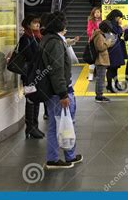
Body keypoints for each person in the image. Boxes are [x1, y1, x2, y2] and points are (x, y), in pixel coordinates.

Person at [40, 11, 82, 169]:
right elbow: (57, 70)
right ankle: (67, 156)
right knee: (65, 122)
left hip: (51, 91)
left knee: (54, 123)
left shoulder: (46, 39)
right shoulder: (55, 42)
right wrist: (63, 94)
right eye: (64, 21)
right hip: (59, 92)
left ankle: (55, 157)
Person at [19, 14, 45, 139]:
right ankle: (30, 127)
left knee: (36, 98)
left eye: (38, 23)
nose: (37, 25)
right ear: (28, 24)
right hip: (28, 75)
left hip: (36, 74)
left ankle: (35, 126)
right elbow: (29, 56)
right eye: (35, 23)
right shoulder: (26, 38)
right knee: (30, 99)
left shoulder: (37, 36)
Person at [92, 20, 114, 103]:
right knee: (100, 79)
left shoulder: (99, 34)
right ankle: (99, 96)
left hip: (101, 59)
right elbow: (100, 48)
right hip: (100, 60)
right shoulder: (99, 36)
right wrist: (108, 42)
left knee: (100, 78)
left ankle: (99, 94)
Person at [105, 9, 127, 92]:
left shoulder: (109, 22)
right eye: (119, 17)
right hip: (112, 49)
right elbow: (117, 32)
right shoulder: (111, 24)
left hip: (114, 49)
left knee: (113, 68)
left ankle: (114, 85)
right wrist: (122, 27)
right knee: (111, 68)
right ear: (115, 17)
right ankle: (110, 86)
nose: (119, 19)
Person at [86, 7, 102, 81]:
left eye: (98, 12)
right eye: (95, 12)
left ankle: (99, 74)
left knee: (100, 58)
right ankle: (91, 74)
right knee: (92, 59)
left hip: (101, 41)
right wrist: (96, 31)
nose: (97, 14)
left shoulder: (103, 20)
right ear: (93, 13)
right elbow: (89, 32)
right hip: (92, 41)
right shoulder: (90, 20)